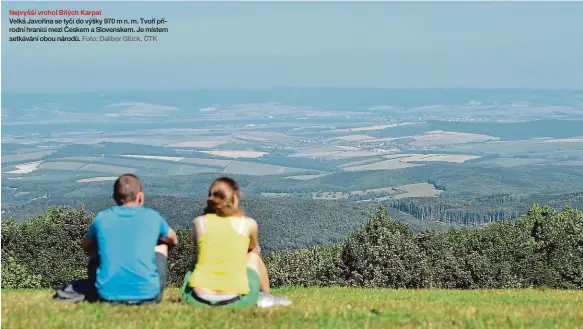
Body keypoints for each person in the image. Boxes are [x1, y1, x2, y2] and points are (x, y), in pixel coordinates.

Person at [81, 173, 178, 304]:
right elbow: (173, 239)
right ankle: (152, 285)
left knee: (97, 246)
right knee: (162, 246)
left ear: (115, 197)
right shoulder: (153, 217)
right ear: (140, 197)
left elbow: (86, 246)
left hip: (107, 296)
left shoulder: (102, 218)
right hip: (148, 296)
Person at [181, 177, 272, 308]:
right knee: (253, 256)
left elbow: (198, 252)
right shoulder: (247, 224)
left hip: (197, 299)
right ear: (234, 199)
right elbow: (254, 249)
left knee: (198, 258)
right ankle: (267, 297)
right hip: (236, 301)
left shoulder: (199, 223)